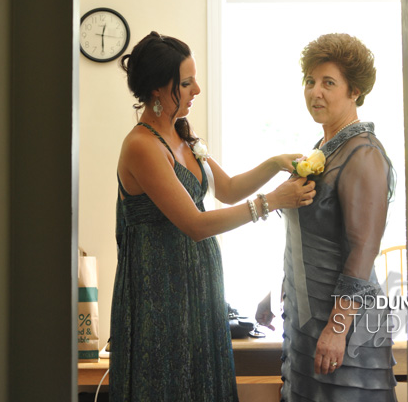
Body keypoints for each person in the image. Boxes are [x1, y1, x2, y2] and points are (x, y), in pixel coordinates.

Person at [109, 31, 315, 402]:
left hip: (199, 290)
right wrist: (272, 201)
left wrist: (274, 163)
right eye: (186, 83)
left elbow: (229, 189)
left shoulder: (183, 136)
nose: (197, 90)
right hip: (161, 296)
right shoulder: (142, 145)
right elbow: (195, 225)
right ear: (157, 89)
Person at [256, 32, 397, 401]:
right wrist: (278, 291)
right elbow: (311, 237)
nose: (315, 92)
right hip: (307, 317)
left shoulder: (363, 154)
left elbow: (363, 250)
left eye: (328, 83)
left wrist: (337, 328)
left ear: (355, 91)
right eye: (310, 81)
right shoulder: (324, 149)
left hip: (344, 326)